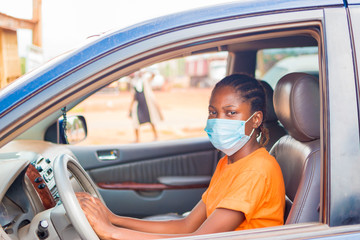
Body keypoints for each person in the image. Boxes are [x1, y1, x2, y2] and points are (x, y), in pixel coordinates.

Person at [77, 73, 285, 239]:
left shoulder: (257, 170)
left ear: (256, 119)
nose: (218, 120)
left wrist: (110, 232)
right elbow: (186, 226)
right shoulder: (228, 163)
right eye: (213, 112)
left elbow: (198, 238)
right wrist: (114, 219)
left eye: (230, 113)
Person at [129, 71, 163, 142]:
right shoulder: (133, 82)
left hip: (147, 104)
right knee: (135, 122)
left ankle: (156, 136)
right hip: (138, 104)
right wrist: (130, 108)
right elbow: (133, 96)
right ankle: (137, 139)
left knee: (151, 120)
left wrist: (147, 71)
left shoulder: (145, 80)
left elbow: (153, 75)